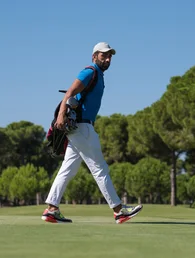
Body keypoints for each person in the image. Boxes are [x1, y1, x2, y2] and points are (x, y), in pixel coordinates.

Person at [42, 42, 143, 224]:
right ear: (94, 56)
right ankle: (119, 211)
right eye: (103, 55)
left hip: (79, 128)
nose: (107, 58)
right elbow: (70, 92)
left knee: (68, 169)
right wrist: (61, 116)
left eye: (110, 55)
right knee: (100, 169)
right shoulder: (90, 71)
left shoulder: (99, 75)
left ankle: (51, 209)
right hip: (82, 127)